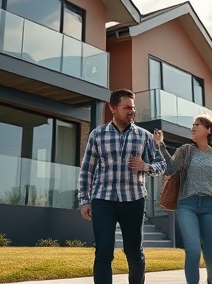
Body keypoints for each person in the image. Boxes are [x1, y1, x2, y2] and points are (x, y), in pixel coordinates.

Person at [78, 89, 166, 284]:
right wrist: (84, 200)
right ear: (112, 108)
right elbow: (87, 170)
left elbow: (162, 164)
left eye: (133, 108)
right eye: (126, 107)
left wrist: (146, 166)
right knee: (103, 251)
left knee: (134, 253)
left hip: (133, 200)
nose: (131, 111)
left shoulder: (144, 136)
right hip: (103, 199)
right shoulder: (97, 135)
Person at [154, 115, 212, 284]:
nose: (193, 127)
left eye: (197, 125)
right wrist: (161, 145)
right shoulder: (185, 150)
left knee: (211, 254)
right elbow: (170, 170)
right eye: (193, 125)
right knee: (193, 251)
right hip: (187, 205)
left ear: (208, 130)